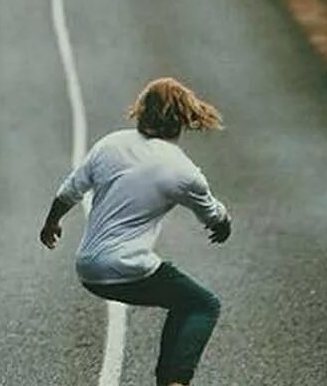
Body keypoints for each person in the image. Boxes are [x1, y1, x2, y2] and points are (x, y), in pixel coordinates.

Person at [40, 77, 232, 386]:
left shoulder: (111, 143)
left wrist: (52, 222)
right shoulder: (182, 171)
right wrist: (223, 224)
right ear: (182, 119)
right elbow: (212, 213)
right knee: (203, 304)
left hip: (88, 266)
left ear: (142, 110)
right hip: (127, 268)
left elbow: (69, 191)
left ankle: (169, 380)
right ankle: (173, 381)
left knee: (183, 302)